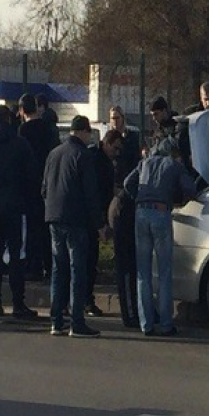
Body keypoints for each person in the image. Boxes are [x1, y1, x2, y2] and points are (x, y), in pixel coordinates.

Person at [124, 137, 197, 336]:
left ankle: (146, 324)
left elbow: (127, 183)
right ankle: (166, 324)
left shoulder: (145, 162)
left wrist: (139, 199)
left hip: (141, 213)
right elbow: (191, 189)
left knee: (143, 273)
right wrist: (178, 199)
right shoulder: (174, 164)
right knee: (164, 272)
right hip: (161, 212)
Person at [42, 115, 104, 338]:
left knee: (59, 270)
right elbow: (90, 194)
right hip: (76, 220)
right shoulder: (83, 155)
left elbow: (44, 188)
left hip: (54, 217)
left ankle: (56, 321)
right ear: (83, 132)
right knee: (78, 269)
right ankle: (76, 322)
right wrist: (99, 224)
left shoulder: (54, 154)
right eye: (88, 133)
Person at [0, 105, 38, 319]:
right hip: (14, 207)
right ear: (8, 119)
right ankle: (17, 303)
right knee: (16, 256)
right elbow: (32, 176)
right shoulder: (19, 144)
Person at [81, 129, 122, 317]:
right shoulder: (98, 161)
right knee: (88, 262)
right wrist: (100, 223)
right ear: (106, 143)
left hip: (92, 216)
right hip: (91, 218)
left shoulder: (100, 158)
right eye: (115, 148)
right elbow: (96, 194)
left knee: (87, 261)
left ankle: (82, 301)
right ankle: (86, 301)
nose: (117, 152)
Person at [18, 93, 59, 281]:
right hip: (48, 184)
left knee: (32, 228)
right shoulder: (47, 129)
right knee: (47, 230)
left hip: (29, 186)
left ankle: (33, 267)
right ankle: (50, 266)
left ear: (21, 111)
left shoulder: (23, 131)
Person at [108, 107, 141, 328]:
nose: (114, 122)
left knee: (128, 263)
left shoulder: (129, 142)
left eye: (117, 118)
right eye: (112, 119)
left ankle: (131, 310)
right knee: (125, 263)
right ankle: (129, 312)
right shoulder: (108, 144)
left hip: (124, 202)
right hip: (118, 204)